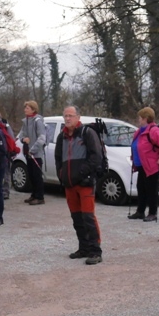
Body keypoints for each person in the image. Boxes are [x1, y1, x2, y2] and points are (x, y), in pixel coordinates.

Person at [55, 105, 103, 265]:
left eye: (70, 115)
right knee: (76, 218)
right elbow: (58, 159)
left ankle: (95, 251)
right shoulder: (61, 137)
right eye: (65, 116)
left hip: (85, 183)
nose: (68, 118)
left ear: (78, 117)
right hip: (69, 184)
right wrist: (61, 175)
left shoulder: (87, 133)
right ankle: (84, 248)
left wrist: (82, 173)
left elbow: (96, 157)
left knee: (88, 217)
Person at [128, 107, 159, 222]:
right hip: (142, 166)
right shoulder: (140, 131)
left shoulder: (154, 131)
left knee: (151, 189)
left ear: (145, 118)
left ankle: (153, 213)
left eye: (140, 118)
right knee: (141, 188)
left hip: (152, 166)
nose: (138, 120)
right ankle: (140, 212)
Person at [17, 100, 47, 205]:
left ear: (33, 109)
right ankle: (34, 195)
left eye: (27, 108)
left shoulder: (38, 121)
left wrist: (32, 150)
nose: (25, 110)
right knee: (31, 175)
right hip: (27, 153)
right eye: (25, 108)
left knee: (37, 175)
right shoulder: (25, 121)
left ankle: (40, 197)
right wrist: (23, 140)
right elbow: (21, 135)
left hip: (36, 154)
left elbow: (42, 138)